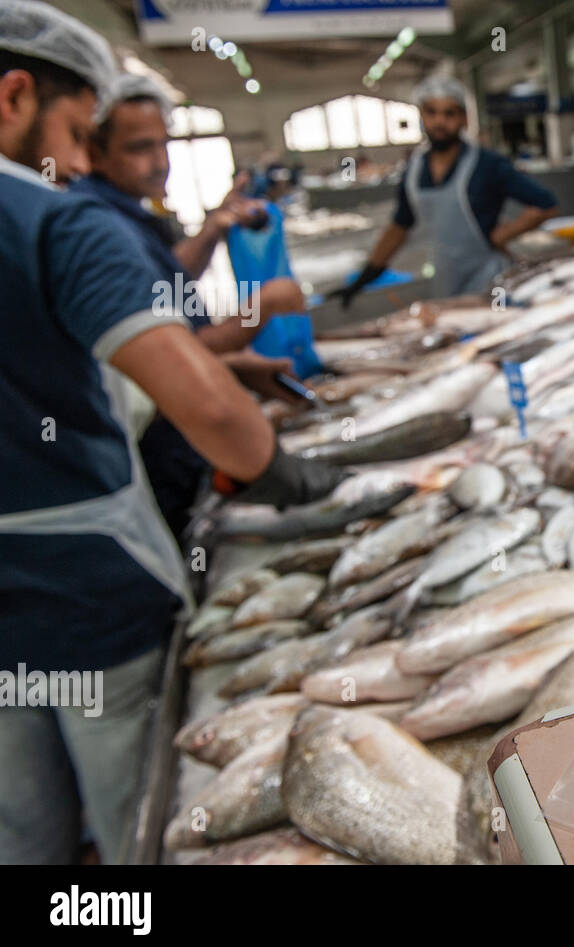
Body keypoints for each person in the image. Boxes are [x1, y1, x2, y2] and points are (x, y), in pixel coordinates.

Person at [0, 1, 344, 865]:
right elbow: (207, 406)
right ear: (13, 97)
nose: (78, 162)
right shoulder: (54, 218)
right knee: (139, 825)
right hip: (83, 594)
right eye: (82, 132)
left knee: (22, 826)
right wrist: (279, 472)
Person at [71, 72, 310, 538]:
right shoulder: (98, 227)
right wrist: (259, 308)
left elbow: (164, 290)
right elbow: (181, 346)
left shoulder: (125, 212)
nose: (159, 163)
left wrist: (213, 228)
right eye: (139, 148)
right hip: (154, 453)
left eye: (164, 146)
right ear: (93, 151)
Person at [331, 75, 559, 304]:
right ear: (421, 116)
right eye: (431, 112)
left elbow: (546, 205)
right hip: (447, 282)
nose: (440, 122)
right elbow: (399, 227)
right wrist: (366, 277)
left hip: (492, 284)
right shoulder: (414, 170)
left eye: (449, 113)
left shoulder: (488, 164)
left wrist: (502, 235)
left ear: (464, 119)